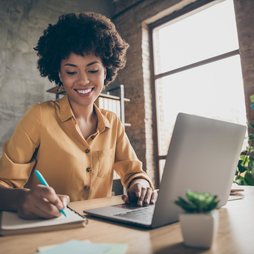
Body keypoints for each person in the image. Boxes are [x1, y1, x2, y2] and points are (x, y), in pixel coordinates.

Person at [0, 12, 156, 219]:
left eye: (93, 70)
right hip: (46, 230)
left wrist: (140, 184)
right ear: (59, 75)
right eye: (71, 72)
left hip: (100, 231)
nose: (83, 81)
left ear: (106, 72)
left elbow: (134, 173)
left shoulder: (113, 122)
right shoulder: (39, 117)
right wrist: (21, 199)